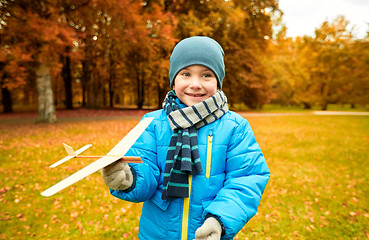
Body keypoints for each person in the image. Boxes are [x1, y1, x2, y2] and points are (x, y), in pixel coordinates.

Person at [102, 36, 270, 240]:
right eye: (186, 74)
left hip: (208, 233)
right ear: (174, 79)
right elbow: (145, 169)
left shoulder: (235, 127)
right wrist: (129, 179)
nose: (196, 84)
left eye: (206, 75)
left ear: (218, 81)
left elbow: (246, 179)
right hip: (157, 234)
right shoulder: (153, 123)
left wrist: (219, 220)